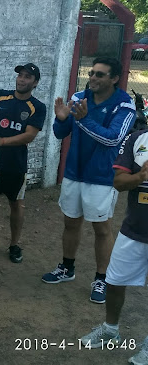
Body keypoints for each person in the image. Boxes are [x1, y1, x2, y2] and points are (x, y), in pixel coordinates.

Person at [42, 57, 136, 304]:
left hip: (102, 177)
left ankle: (102, 279)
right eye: (92, 73)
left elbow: (113, 139)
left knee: (101, 229)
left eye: (100, 75)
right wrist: (62, 119)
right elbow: (61, 134)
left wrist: (83, 120)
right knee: (70, 223)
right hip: (74, 172)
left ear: (114, 79)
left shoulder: (124, 106)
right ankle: (67, 268)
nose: (93, 78)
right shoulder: (78, 97)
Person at [79, 129, 148, 364]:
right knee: (114, 280)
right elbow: (118, 182)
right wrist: (140, 177)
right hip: (134, 229)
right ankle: (110, 330)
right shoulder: (137, 138)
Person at [0, 63, 47, 263]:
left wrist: (3, 141)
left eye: (28, 77)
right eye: (20, 75)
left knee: (17, 205)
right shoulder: (1, 96)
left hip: (16, 164)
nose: (22, 79)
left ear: (35, 82)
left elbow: (29, 136)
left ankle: (14, 244)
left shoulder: (37, 107)